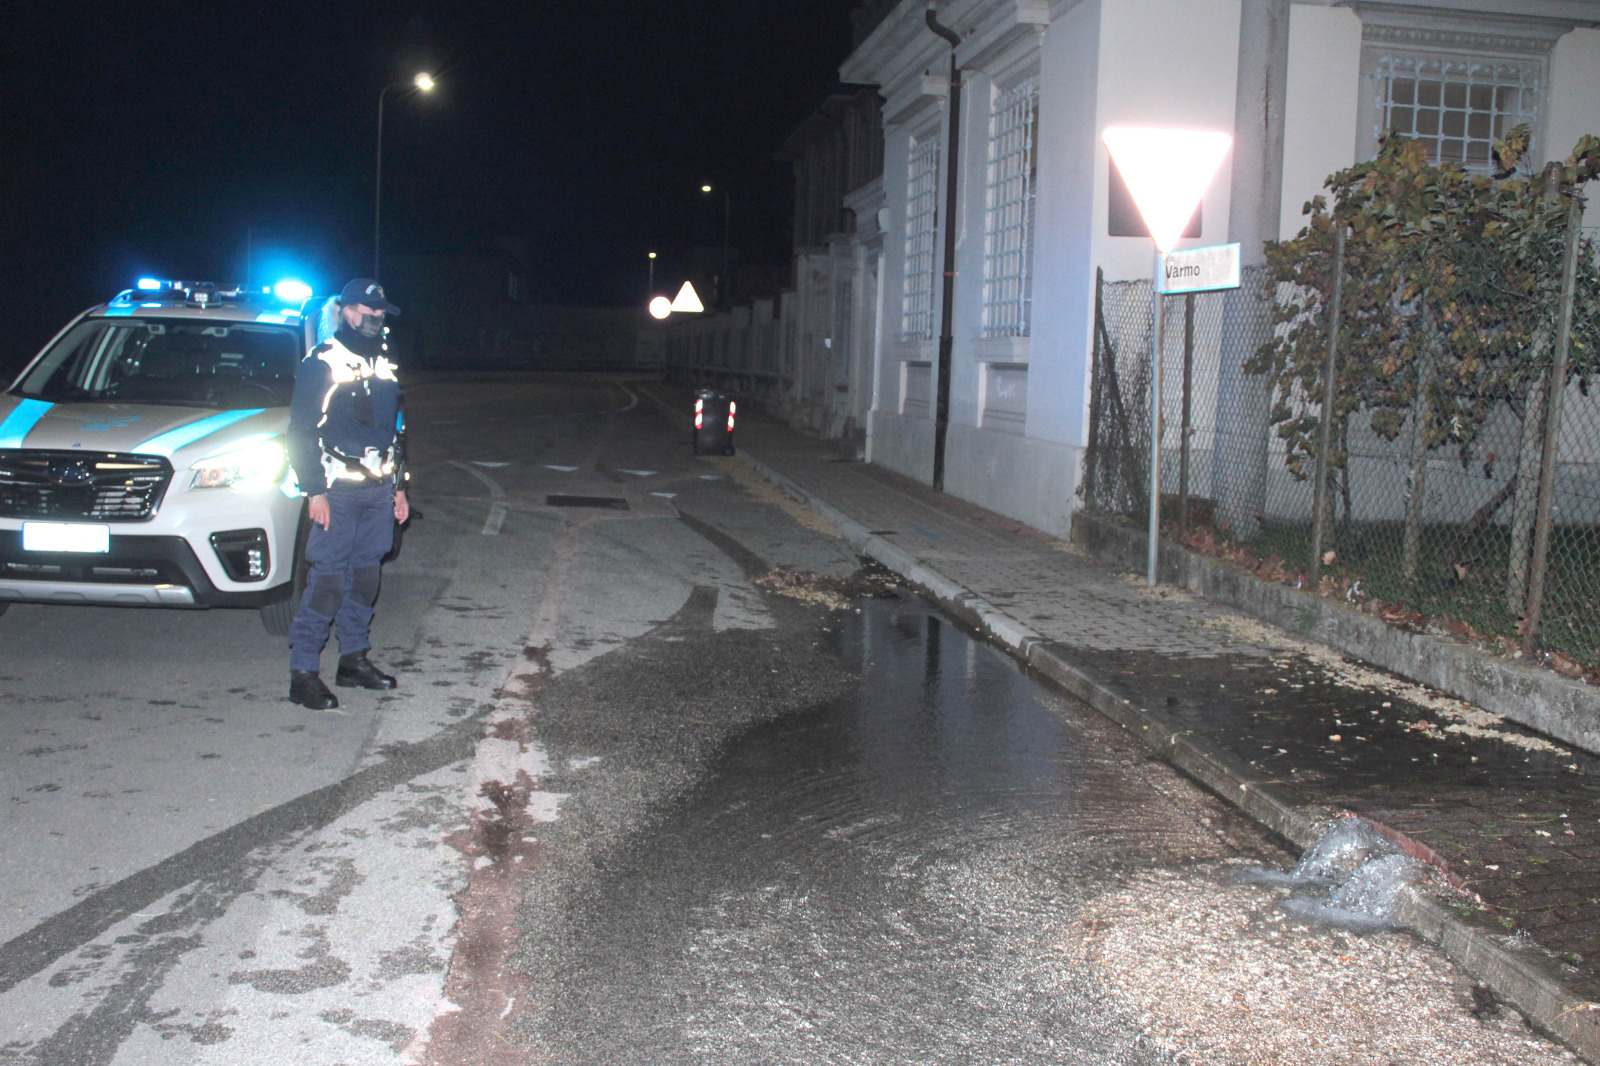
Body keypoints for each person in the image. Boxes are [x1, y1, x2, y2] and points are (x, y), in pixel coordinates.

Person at [284, 278, 410, 709]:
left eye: (381, 313)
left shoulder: (384, 362)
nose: (376, 319)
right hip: (336, 493)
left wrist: (399, 487)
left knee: (366, 579)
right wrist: (313, 491)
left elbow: (396, 431)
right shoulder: (322, 362)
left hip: (377, 492)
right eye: (368, 311)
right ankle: (303, 673)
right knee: (328, 583)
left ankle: (353, 661)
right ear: (346, 311)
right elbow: (300, 432)